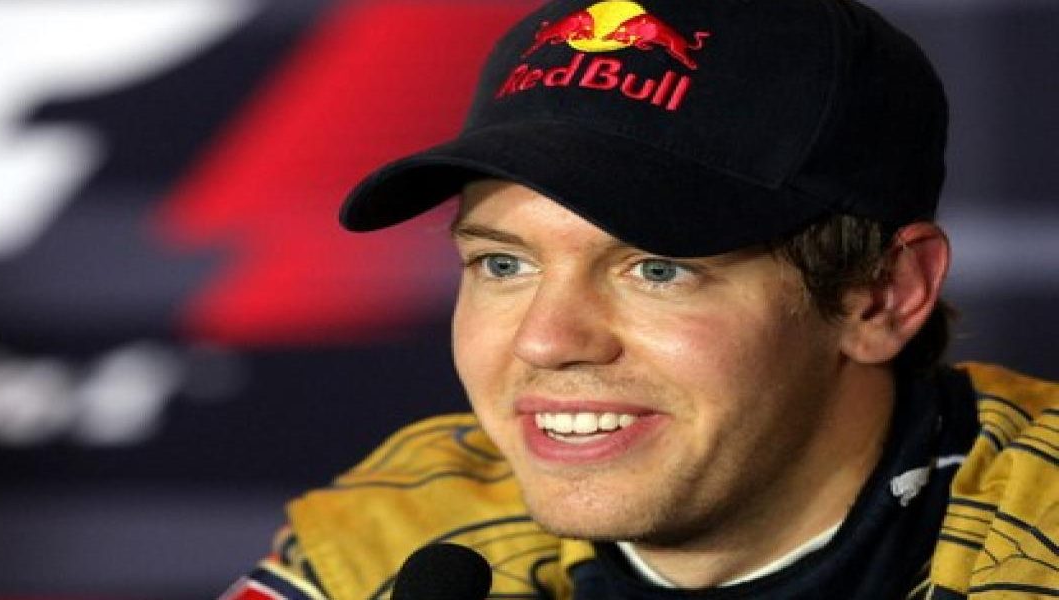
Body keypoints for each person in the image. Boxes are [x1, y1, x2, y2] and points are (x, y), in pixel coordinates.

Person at [219, 0, 1059, 598]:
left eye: (657, 269)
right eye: (503, 265)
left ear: (882, 296)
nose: (547, 341)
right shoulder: (407, 533)